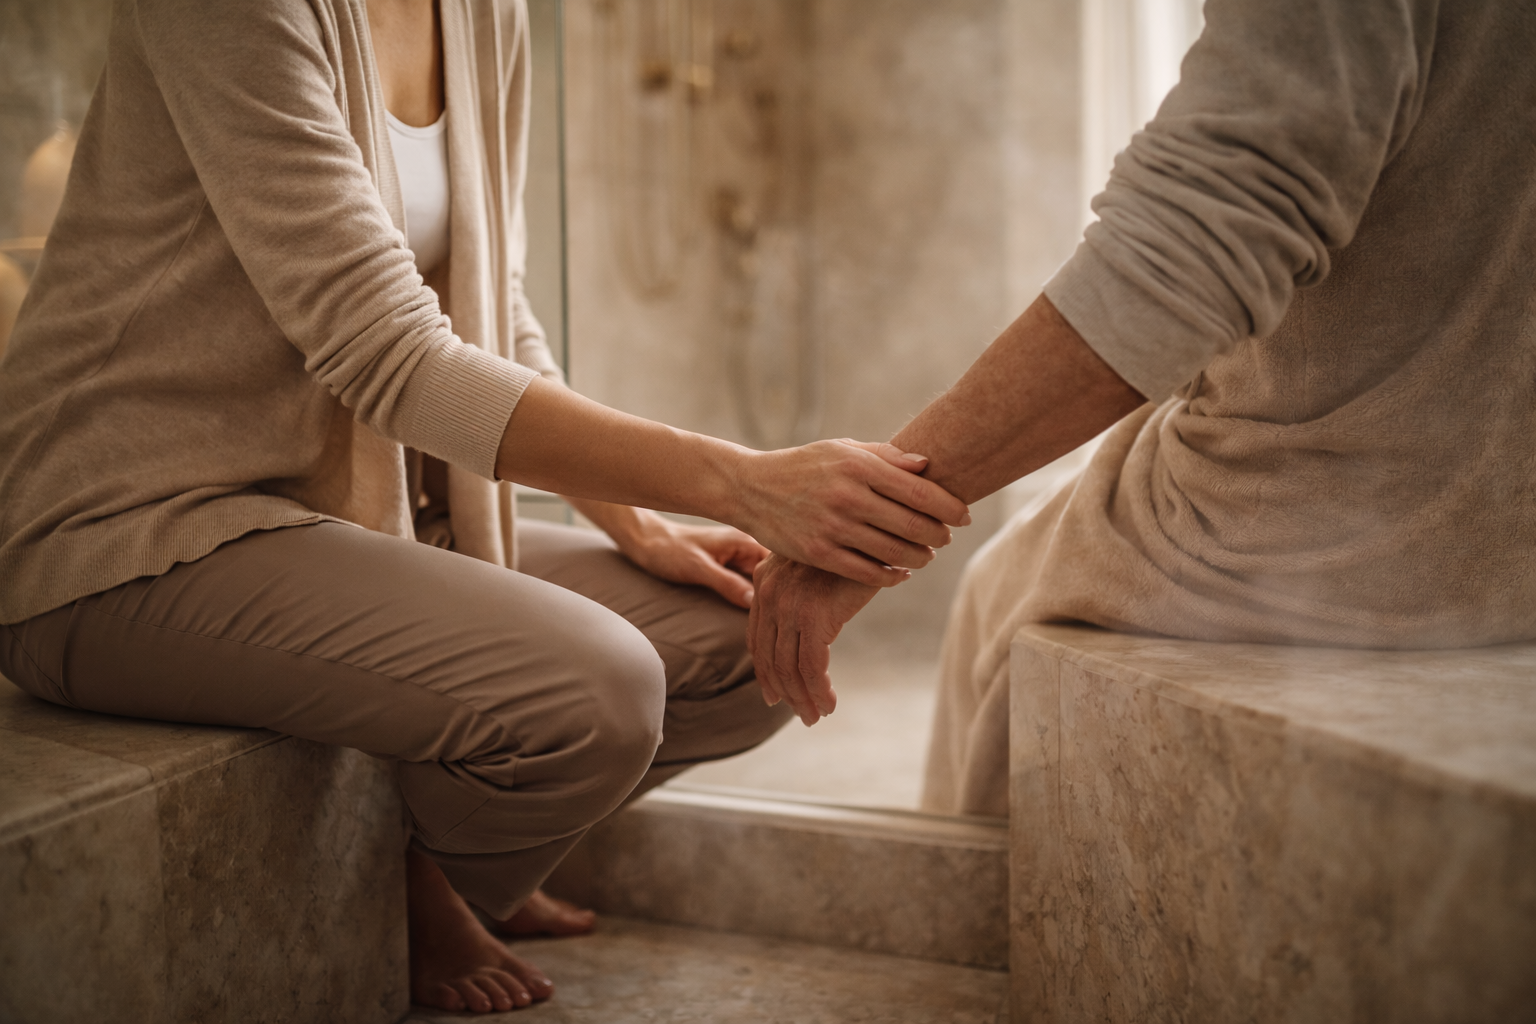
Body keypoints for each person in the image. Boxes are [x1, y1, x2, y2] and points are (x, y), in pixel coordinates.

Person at [0, 0, 970, 1014]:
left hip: (353, 508)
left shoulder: (482, 11)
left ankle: (436, 862)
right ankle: (413, 887)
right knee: (599, 691)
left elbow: (488, 307)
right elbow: (386, 352)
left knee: (743, 637)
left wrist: (636, 525)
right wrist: (740, 481)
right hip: (136, 531)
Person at [749, 0, 1536, 818]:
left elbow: (1188, 245)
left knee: (995, 585)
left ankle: (987, 896)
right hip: (1518, 540)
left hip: (1329, 544)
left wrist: (862, 529)